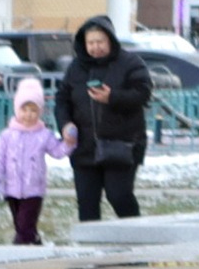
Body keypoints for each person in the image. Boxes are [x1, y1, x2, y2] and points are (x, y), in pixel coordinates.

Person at [55, 17, 154, 222]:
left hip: (121, 144)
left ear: (110, 40)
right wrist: (65, 125)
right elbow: (62, 99)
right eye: (91, 43)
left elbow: (143, 93)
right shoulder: (76, 67)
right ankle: (90, 249)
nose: (95, 47)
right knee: (86, 201)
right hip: (84, 146)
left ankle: (137, 235)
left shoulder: (130, 63)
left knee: (118, 195)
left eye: (100, 42)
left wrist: (113, 97)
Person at [0, 79, 71, 244]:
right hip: (11, 188)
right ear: (17, 110)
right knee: (20, 224)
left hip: (34, 189)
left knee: (25, 223)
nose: (28, 114)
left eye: (33, 110)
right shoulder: (7, 135)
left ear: (40, 112)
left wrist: (69, 143)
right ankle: (34, 241)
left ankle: (20, 248)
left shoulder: (44, 135)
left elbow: (57, 152)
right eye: (24, 110)